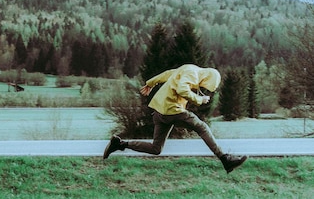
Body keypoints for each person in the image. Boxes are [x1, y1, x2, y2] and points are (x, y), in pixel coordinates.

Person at [103, 64, 247, 173]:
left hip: (160, 111)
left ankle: (120, 144)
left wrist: (150, 83)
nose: (204, 88)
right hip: (172, 110)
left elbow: (168, 74)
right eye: (206, 85)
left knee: (156, 148)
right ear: (208, 78)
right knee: (201, 127)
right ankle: (225, 159)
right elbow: (181, 89)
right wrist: (199, 99)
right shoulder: (193, 74)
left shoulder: (189, 68)